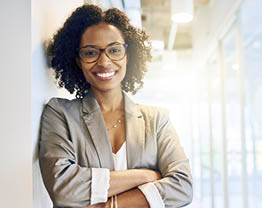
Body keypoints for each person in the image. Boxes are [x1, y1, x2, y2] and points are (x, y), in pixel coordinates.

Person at [39, 4, 192, 208]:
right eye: (91, 52)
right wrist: (145, 176)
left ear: (128, 55)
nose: (104, 61)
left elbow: (182, 187)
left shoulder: (157, 120)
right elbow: (64, 189)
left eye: (115, 50)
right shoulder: (60, 114)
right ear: (77, 59)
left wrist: (109, 205)